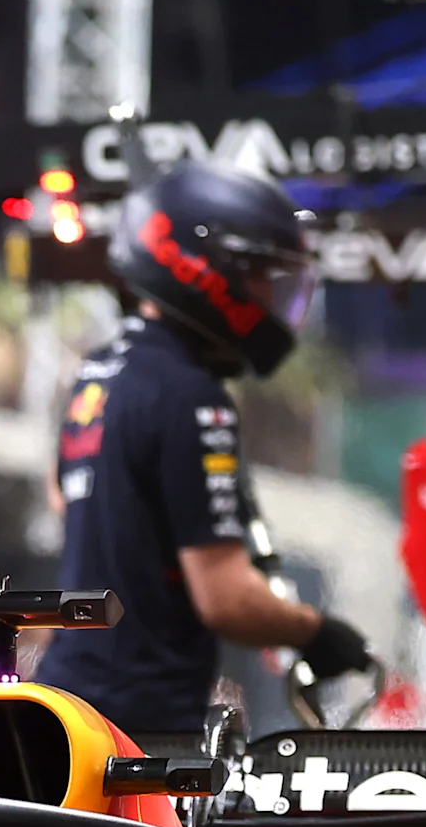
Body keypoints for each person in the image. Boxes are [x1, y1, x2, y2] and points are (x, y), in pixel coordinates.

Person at [32, 160, 372, 734]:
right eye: (263, 274)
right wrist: (317, 632)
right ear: (210, 274)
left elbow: (62, 498)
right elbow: (226, 598)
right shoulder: (193, 397)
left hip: (68, 709)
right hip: (138, 728)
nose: (272, 295)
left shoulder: (96, 374)